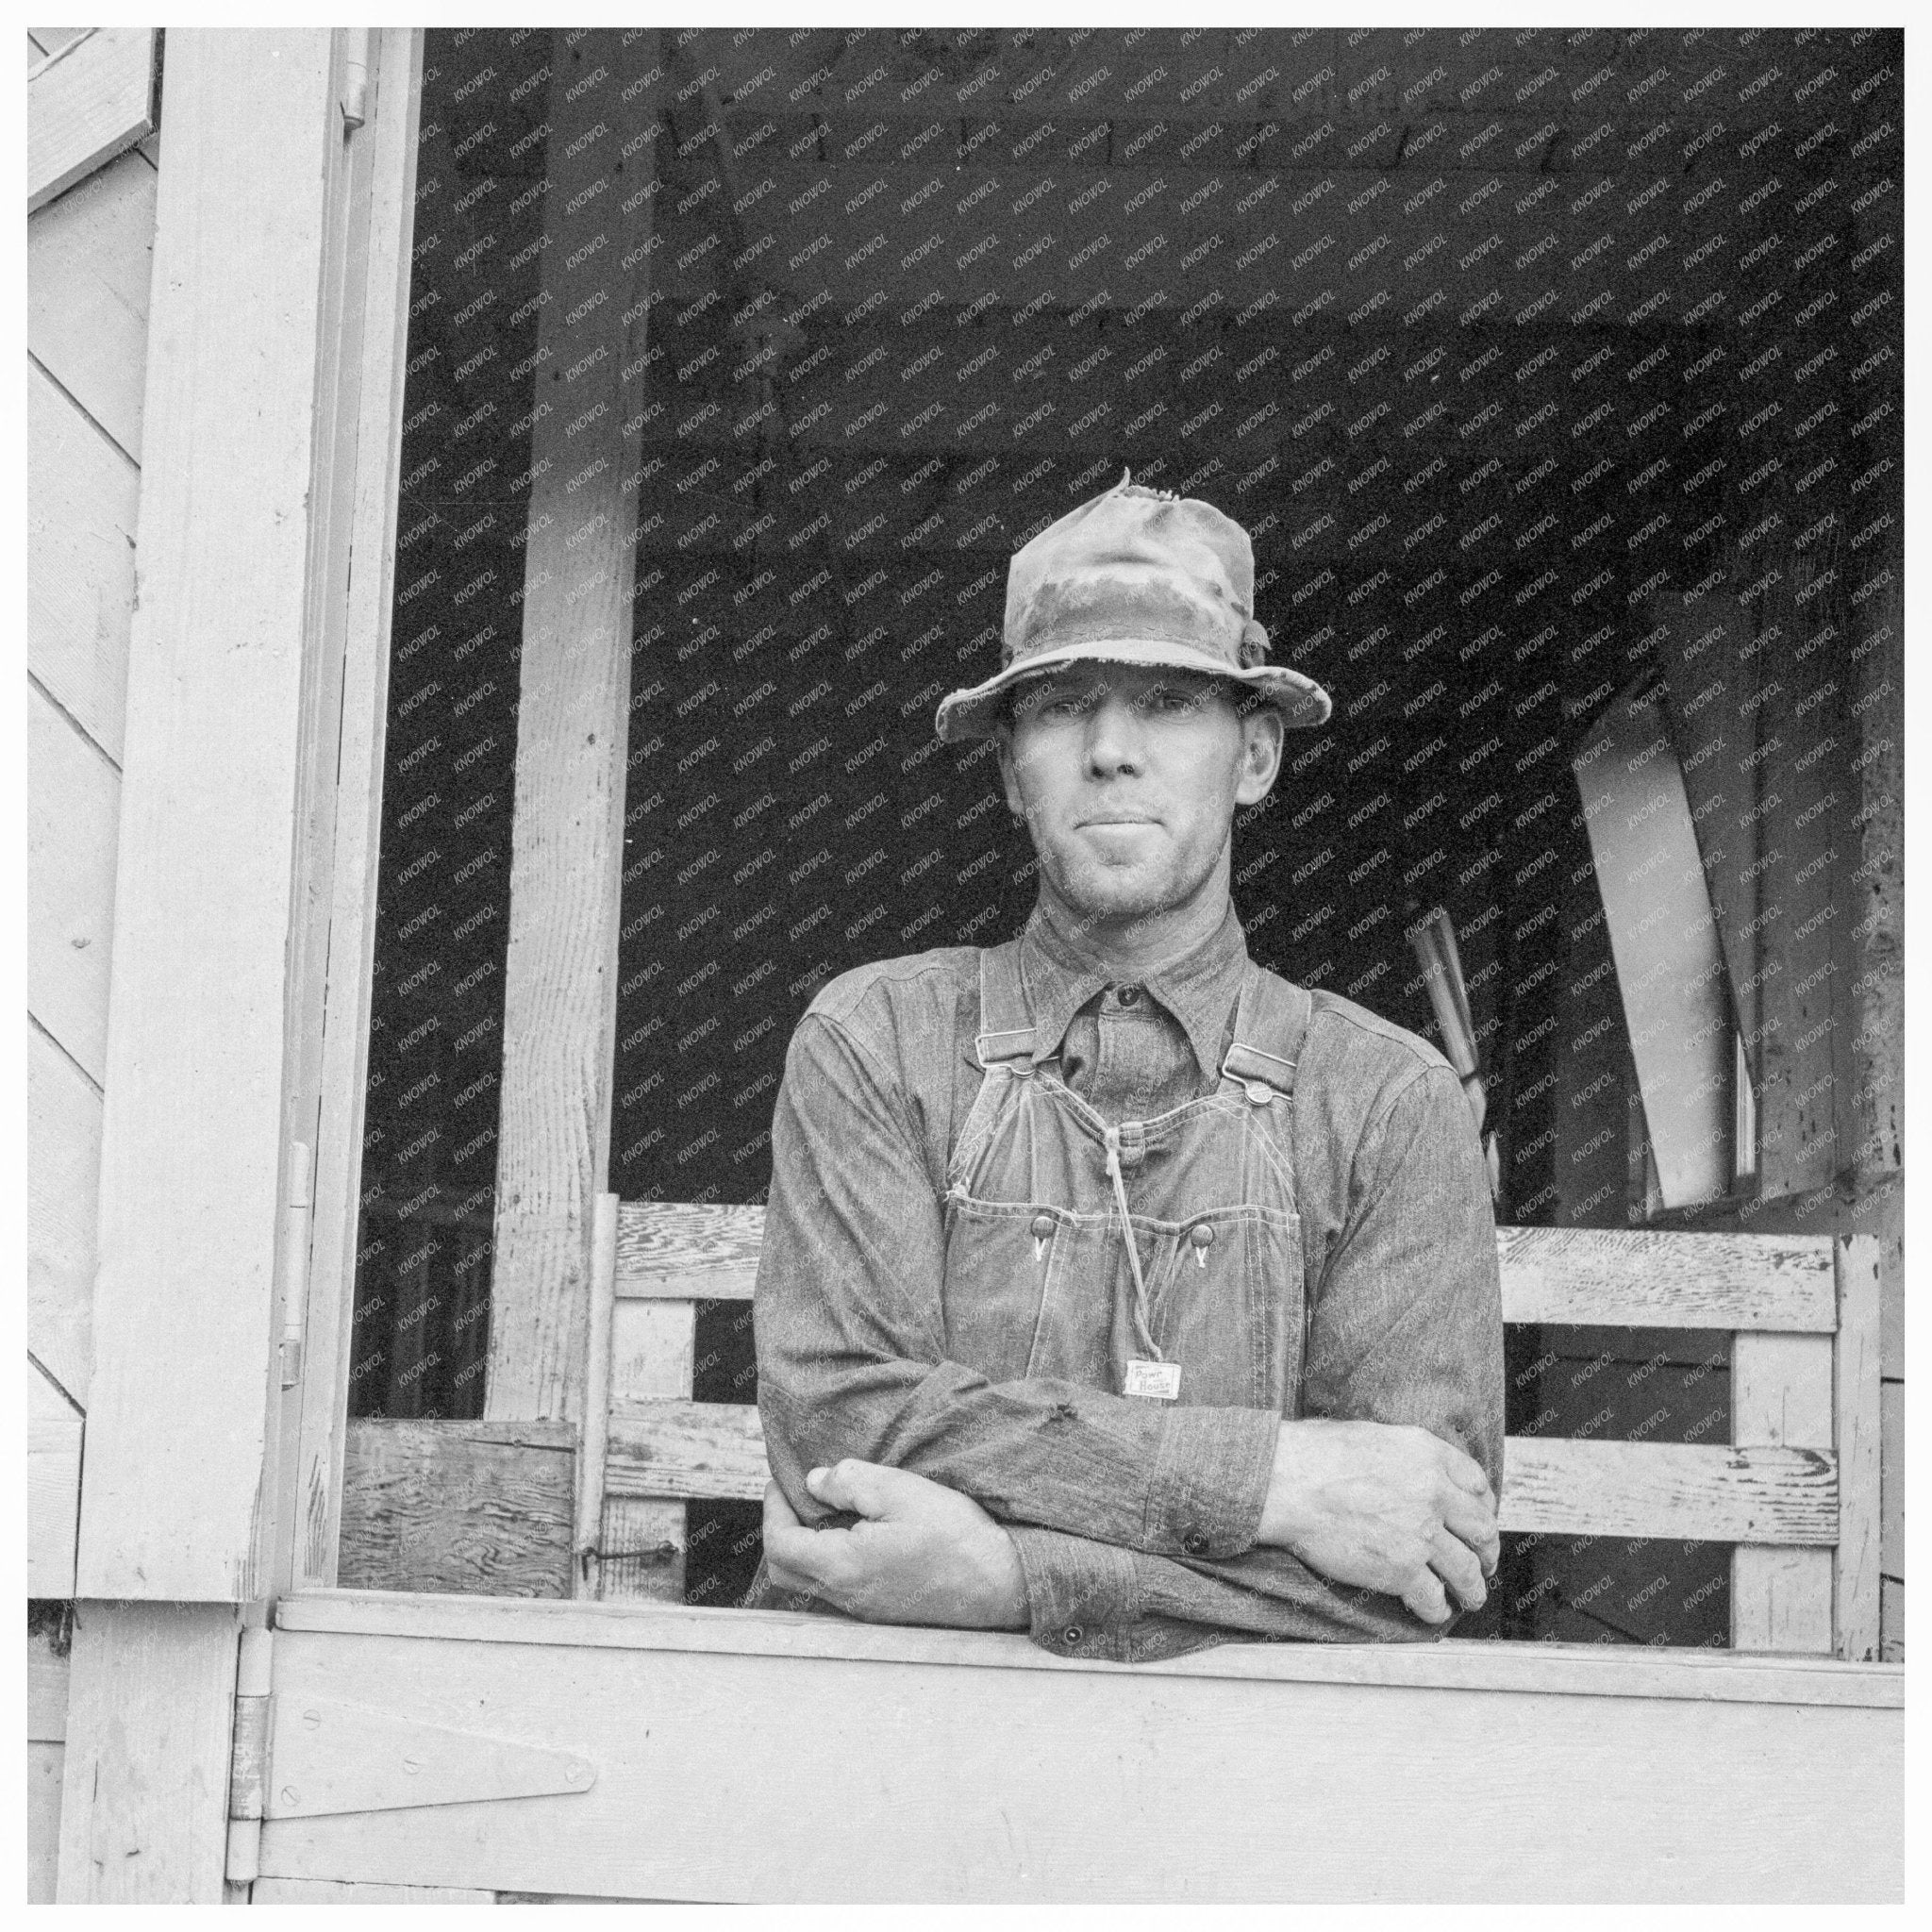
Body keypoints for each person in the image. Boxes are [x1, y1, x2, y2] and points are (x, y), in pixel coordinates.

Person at [745, 473, 1505, 1663]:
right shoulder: (875, 1040)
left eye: (1166, 701)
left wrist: (1011, 1580)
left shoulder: (1386, 1102)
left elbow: (1415, 1558)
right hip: (895, 1725)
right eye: (1060, 707)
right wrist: (1270, 1482)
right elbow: (841, 1431)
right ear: (1009, 768)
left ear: (1254, 755)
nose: (1109, 751)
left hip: (1239, 1757)